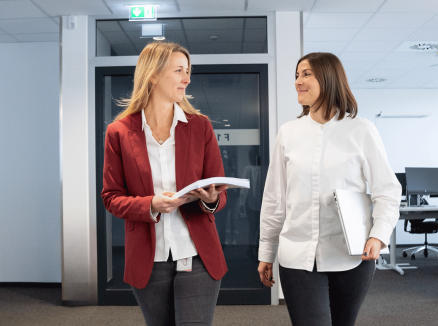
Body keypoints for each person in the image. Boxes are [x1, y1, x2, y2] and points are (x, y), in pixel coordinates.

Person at [257, 52, 401, 326]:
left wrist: (379, 236)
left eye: (306, 74)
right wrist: (266, 251)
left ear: (329, 78)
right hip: (297, 256)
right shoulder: (288, 132)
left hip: (351, 255)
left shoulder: (361, 130)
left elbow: (387, 190)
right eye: (297, 75)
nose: (298, 81)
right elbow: (275, 198)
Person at [101, 42, 228, 326]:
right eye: (179, 70)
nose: (187, 78)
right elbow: (111, 197)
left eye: (188, 71)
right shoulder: (119, 132)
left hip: (197, 256)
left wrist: (210, 199)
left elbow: (218, 192)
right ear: (154, 75)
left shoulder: (200, 126)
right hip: (149, 258)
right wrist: (151, 204)